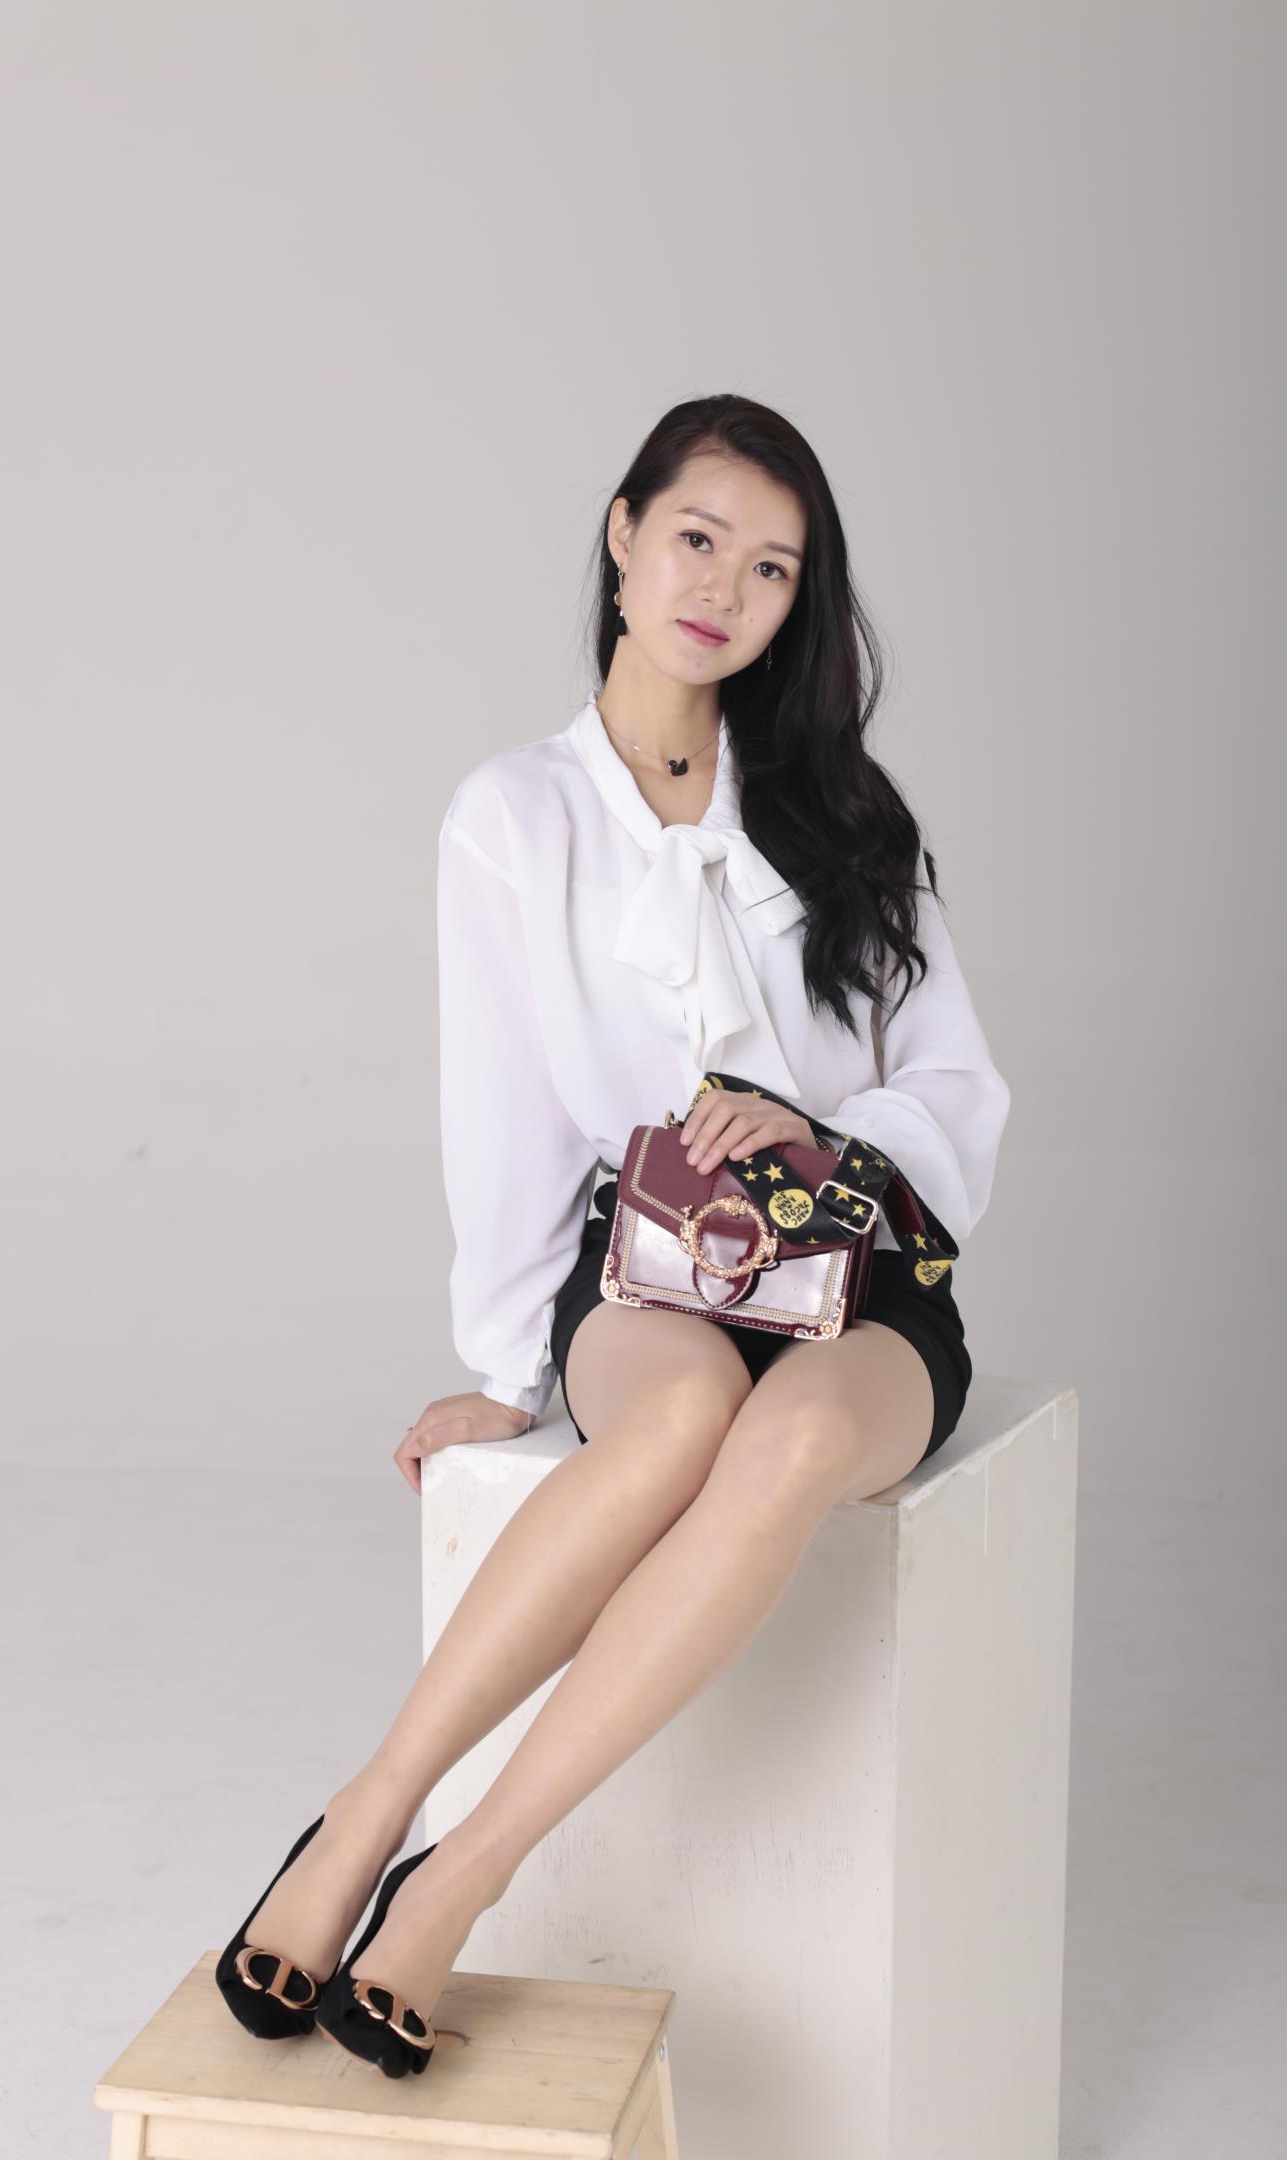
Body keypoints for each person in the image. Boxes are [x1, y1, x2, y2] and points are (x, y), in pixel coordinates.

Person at [216, 393, 1011, 2077]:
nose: (724, 588)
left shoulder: (846, 812)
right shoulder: (516, 814)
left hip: (864, 1275)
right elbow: (503, 1107)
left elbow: (956, 1080)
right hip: (654, 1268)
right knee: (677, 1418)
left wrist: (819, 1131)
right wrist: (508, 1370)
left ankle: (462, 1877)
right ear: (624, 532)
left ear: (799, 603)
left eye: (773, 568)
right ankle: (367, 1817)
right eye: (698, 538)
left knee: (793, 1437)